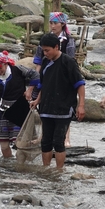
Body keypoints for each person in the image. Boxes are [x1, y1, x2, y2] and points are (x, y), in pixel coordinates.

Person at [30, 33, 85, 169]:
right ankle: (46, 169)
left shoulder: (68, 62)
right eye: (43, 50)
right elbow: (44, 85)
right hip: (47, 107)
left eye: (47, 50)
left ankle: (59, 170)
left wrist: (81, 106)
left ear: (56, 47)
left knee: (58, 141)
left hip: (64, 108)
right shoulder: (45, 62)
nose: (45, 53)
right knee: (46, 141)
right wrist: (37, 100)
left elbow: (80, 84)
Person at [0, 51, 39, 158]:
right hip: (4, 111)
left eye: (0, 68)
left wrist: (29, 90)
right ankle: (8, 164)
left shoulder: (18, 70)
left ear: (6, 64)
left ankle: (22, 166)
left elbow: (35, 75)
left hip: (20, 108)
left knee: (21, 143)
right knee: (4, 145)